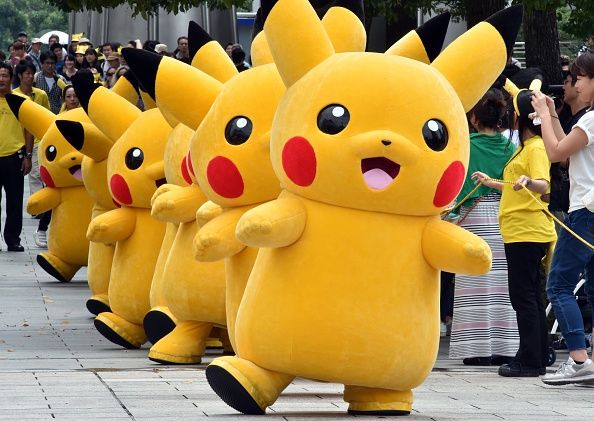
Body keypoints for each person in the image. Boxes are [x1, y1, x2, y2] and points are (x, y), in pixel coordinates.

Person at [474, 79, 557, 378]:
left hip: (526, 231)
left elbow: (542, 185)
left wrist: (527, 183)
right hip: (520, 230)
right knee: (529, 294)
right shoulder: (524, 148)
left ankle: (531, 360)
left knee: (524, 295)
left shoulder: (534, 148)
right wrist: (492, 182)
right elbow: (516, 184)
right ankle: (535, 353)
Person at [532, 52, 594, 385]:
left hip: (584, 212)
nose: (575, 83)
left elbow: (555, 154)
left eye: (579, 78)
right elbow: (568, 158)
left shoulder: (590, 120)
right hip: (591, 210)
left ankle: (577, 358)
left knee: (558, 285)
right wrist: (553, 116)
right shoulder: (587, 121)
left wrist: (542, 114)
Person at [449, 89, 519, 366]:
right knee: (502, 285)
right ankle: (505, 346)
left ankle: (475, 347)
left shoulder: (465, 146)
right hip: (503, 217)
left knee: (473, 282)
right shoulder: (509, 148)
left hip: (473, 217)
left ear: (473, 118)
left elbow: (460, 186)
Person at [13, 60, 51, 248]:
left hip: (40, 139)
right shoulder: (13, 96)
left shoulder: (40, 95)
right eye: (26, 73)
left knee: (41, 173)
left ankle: (39, 206)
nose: (29, 76)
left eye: (31, 73)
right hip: (21, 141)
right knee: (35, 174)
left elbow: (46, 114)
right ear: (19, 76)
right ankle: (38, 208)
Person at [0, 62, 33, 251]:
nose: (1, 79)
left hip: (15, 157)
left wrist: (27, 155)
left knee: (14, 201)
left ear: (12, 78)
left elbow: (29, 130)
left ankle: (13, 239)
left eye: (5, 76)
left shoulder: (20, 100)